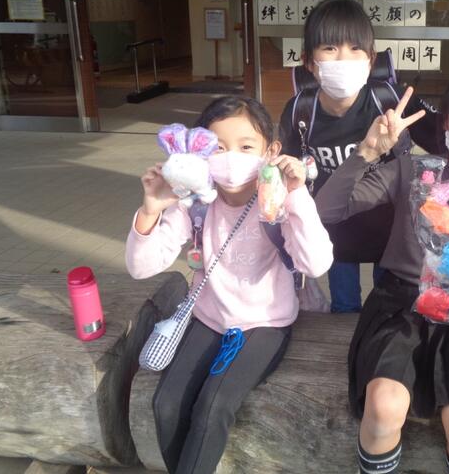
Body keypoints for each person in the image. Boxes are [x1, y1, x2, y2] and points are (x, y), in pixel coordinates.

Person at [315, 64, 449, 474]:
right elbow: (327, 210)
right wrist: (367, 152)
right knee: (383, 408)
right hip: (401, 307)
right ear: (445, 122)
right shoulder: (414, 171)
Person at [126, 96, 333, 474]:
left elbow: (317, 263)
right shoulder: (194, 203)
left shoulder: (277, 201)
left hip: (265, 324)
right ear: (199, 151)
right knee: (166, 404)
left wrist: (297, 194)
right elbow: (141, 268)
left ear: (271, 150)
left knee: (213, 407)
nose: (231, 157)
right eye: (218, 147)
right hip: (209, 319)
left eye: (246, 146)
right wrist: (151, 209)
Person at [279, 0, 440, 313]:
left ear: (371, 59)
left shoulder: (391, 101)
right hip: (335, 232)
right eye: (329, 48)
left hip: (390, 233)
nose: (344, 59)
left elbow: (448, 139)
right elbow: (286, 176)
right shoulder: (300, 110)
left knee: (388, 310)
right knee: (344, 309)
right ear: (309, 61)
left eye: (355, 48)